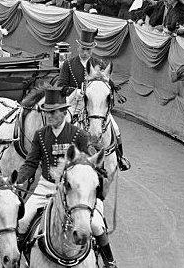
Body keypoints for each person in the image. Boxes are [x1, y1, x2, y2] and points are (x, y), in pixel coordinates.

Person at [15, 88, 118, 268]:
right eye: (46, 112)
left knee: (96, 224)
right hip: (46, 186)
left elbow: (89, 163)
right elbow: (31, 163)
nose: (49, 116)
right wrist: (17, 180)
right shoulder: (40, 135)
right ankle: (18, 258)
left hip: (76, 190)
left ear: (64, 112)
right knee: (23, 221)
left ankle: (109, 260)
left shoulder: (78, 134)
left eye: (53, 112)